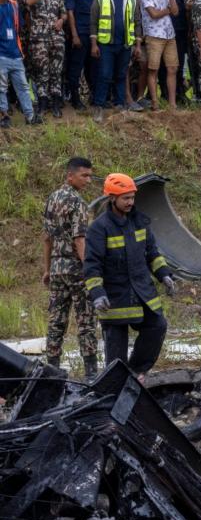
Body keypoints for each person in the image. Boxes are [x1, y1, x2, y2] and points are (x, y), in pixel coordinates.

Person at [83, 173, 175, 378]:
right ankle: (115, 388)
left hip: (142, 292)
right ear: (111, 198)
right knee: (116, 358)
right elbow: (92, 265)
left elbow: (152, 252)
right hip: (115, 298)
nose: (130, 202)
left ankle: (136, 371)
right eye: (125, 198)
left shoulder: (139, 221)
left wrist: (164, 275)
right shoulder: (99, 228)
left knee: (157, 325)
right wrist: (97, 293)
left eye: (132, 197)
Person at [42, 157, 99, 378]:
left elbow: (46, 238)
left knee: (56, 320)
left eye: (89, 175)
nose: (88, 180)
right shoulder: (78, 202)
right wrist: (90, 267)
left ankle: (52, 370)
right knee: (86, 320)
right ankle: (91, 372)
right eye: (84, 175)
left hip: (57, 267)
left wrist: (47, 269)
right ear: (70, 175)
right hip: (77, 268)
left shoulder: (52, 198)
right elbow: (80, 239)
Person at [89, 0, 140, 118]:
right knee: (104, 75)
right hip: (106, 45)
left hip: (125, 45)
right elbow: (93, 21)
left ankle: (120, 104)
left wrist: (137, 45)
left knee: (121, 74)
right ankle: (99, 106)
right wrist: (94, 44)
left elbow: (137, 22)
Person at [22, 0, 67, 118]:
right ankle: (42, 102)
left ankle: (55, 103)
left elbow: (64, 12)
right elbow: (28, 2)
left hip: (57, 37)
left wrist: (62, 20)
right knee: (42, 71)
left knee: (56, 71)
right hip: (39, 39)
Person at [0, 0, 40, 126]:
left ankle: (30, 117)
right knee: (1, 88)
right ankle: (4, 116)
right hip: (1, 54)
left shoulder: (14, 5)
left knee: (23, 86)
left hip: (15, 54)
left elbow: (19, 28)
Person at [65, 0, 99, 110]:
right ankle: (75, 98)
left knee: (93, 68)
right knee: (76, 68)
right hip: (80, 32)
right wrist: (75, 35)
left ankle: (93, 97)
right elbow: (70, 12)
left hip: (95, 35)